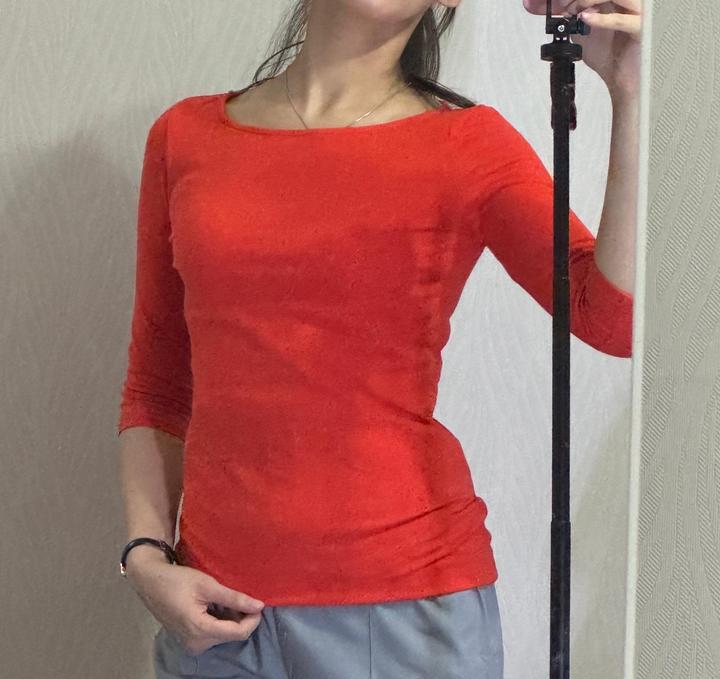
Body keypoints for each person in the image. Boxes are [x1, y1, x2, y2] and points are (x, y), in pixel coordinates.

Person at [116, 1, 635, 677]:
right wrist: (146, 555)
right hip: (214, 615)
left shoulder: (468, 143)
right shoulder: (185, 136)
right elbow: (157, 383)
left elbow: (611, 318)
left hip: (405, 614)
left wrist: (631, 91)